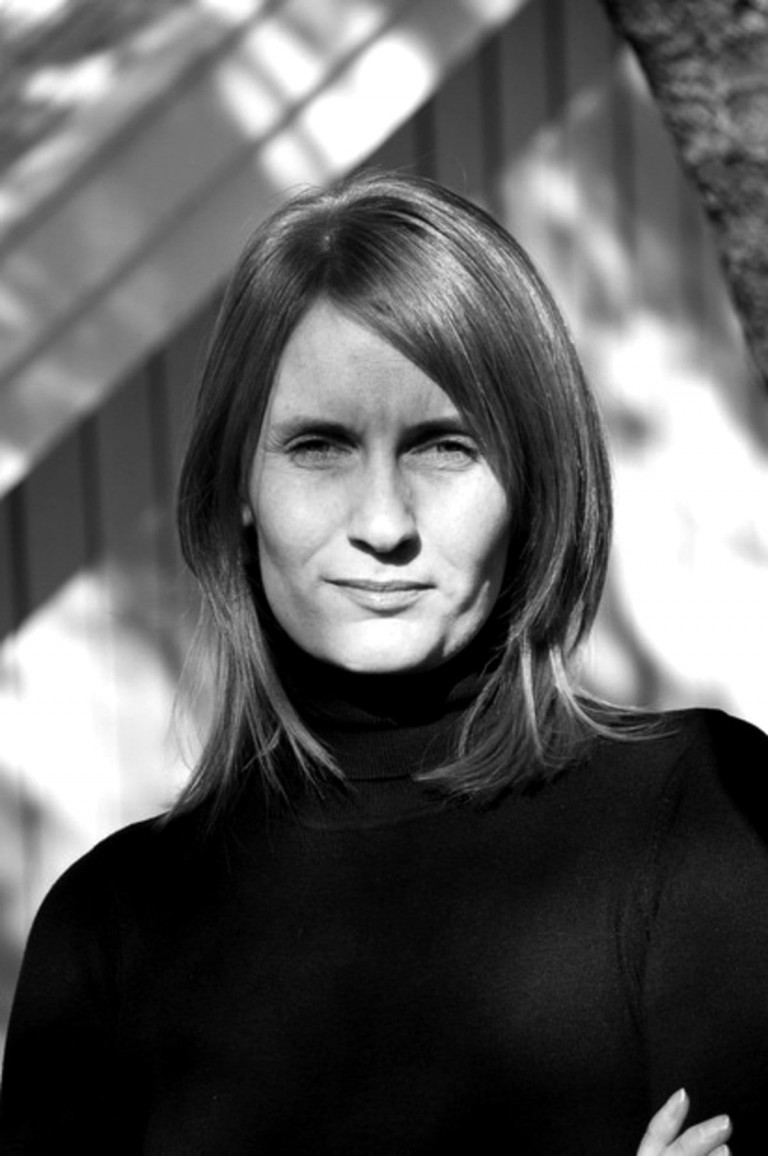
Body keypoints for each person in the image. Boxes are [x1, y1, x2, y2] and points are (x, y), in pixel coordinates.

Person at [0, 170, 765, 1155]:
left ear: (534, 481)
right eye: (319, 447)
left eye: (444, 447)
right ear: (238, 485)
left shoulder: (701, 815)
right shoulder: (108, 928)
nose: (384, 524)